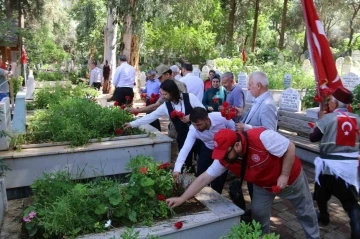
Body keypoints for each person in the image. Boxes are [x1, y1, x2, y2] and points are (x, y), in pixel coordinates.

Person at [167, 128, 320, 239]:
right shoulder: (226, 158)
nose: (223, 159)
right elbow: (204, 178)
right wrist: (182, 198)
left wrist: (284, 175)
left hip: (291, 180)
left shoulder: (261, 137)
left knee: (305, 210)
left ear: (237, 146)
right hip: (263, 185)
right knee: (258, 213)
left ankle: (313, 236)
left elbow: (290, 147)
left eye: (225, 154)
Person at [309, 86, 360, 239]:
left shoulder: (328, 118)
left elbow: (313, 138)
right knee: (351, 203)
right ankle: (357, 232)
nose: (329, 103)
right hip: (349, 170)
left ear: (336, 104)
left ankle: (324, 217)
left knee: (321, 194)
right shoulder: (358, 119)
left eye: (330, 100)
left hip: (328, 169)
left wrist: (320, 119)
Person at [124, 79, 204, 171]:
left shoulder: (190, 97)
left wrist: (190, 117)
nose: (163, 97)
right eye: (162, 94)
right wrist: (132, 124)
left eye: (165, 94)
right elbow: (151, 116)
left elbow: (203, 111)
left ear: (172, 92)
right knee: (186, 166)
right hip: (183, 139)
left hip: (200, 136)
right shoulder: (166, 106)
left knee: (202, 163)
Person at [173, 107, 234, 194]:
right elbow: (185, 148)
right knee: (201, 173)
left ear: (207, 119)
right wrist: (177, 169)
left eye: (199, 124)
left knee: (219, 178)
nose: (197, 127)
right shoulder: (193, 130)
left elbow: (234, 129)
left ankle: (216, 197)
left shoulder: (221, 118)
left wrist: (229, 147)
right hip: (208, 148)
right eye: (194, 124)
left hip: (223, 150)